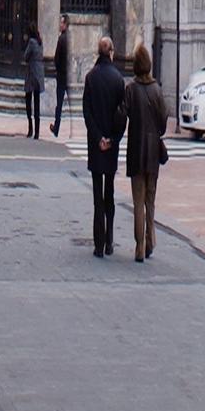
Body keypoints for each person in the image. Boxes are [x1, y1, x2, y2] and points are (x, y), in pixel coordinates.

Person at [123, 45, 171, 261]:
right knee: (150, 200)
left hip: (136, 150)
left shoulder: (131, 89)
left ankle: (139, 246)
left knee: (138, 201)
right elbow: (162, 123)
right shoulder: (157, 90)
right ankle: (151, 240)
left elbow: (124, 114)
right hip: (152, 152)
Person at [81, 35, 127, 257]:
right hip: (111, 144)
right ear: (110, 52)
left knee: (97, 195)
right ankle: (109, 241)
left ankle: (98, 243)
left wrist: (98, 137)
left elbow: (86, 112)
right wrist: (113, 139)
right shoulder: (118, 79)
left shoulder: (91, 78)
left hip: (95, 143)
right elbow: (123, 115)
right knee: (110, 192)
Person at [21, 27, 46, 139]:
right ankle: (37, 131)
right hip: (39, 75)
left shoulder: (31, 42)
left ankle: (30, 129)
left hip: (31, 74)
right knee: (37, 103)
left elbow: (26, 56)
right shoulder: (40, 43)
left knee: (28, 101)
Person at [51, 25, 73, 139]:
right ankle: (72, 130)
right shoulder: (71, 39)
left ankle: (56, 128)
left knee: (59, 104)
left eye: (61, 22)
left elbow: (56, 58)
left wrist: (58, 69)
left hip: (62, 76)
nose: (59, 25)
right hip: (69, 75)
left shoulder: (62, 39)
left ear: (65, 24)